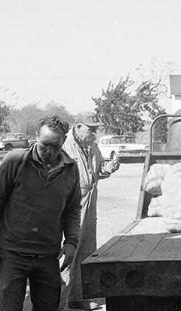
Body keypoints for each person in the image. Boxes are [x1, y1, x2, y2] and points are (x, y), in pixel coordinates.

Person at [0, 116, 81, 311]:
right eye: (44, 145)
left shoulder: (70, 169)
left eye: (55, 146)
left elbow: (73, 210)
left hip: (49, 256)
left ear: (64, 140)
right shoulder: (15, 161)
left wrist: (71, 242)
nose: (49, 152)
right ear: (36, 136)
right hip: (12, 255)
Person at [60, 118, 119, 310]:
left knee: (86, 251)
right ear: (77, 127)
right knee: (69, 252)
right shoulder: (65, 146)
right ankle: (59, 303)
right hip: (72, 205)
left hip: (90, 202)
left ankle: (78, 298)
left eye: (96, 129)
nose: (94, 133)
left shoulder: (92, 146)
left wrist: (108, 167)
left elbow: (99, 169)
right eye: (90, 129)